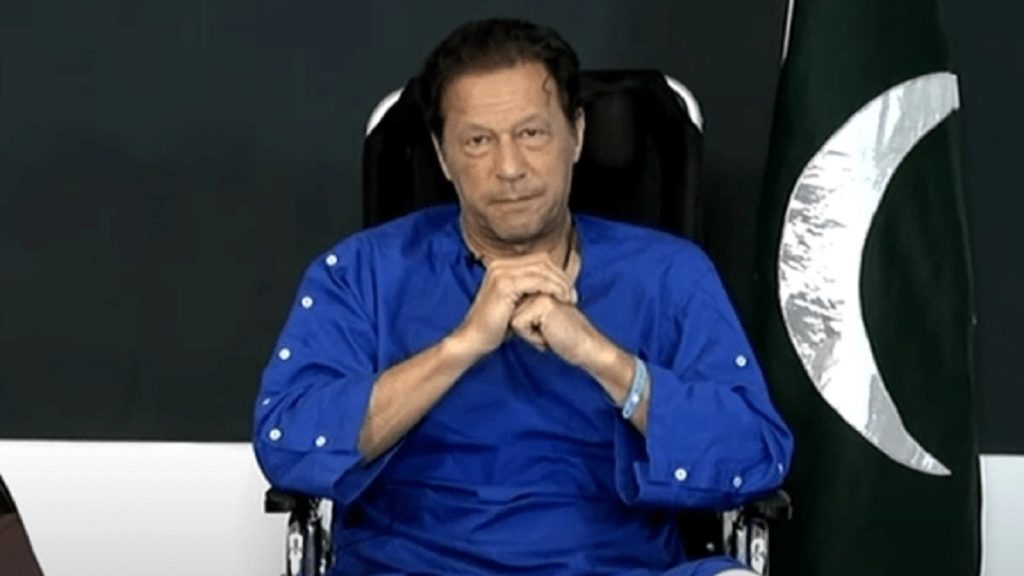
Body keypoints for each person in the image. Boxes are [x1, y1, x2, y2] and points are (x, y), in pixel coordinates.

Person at [254, 18, 792, 576]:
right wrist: (461, 347)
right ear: (443, 155)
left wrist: (602, 358)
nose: (509, 168)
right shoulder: (359, 273)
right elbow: (288, 445)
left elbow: (755, 456)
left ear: (576, 134)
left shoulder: (669, 274)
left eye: (532, 134)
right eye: (478, 141)